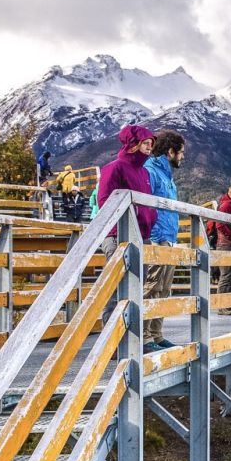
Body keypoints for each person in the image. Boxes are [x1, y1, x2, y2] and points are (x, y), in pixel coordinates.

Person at [141, 130, 185, 351]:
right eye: (181, 152)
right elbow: (147, 206)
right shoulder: (150, 171)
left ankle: (156, 335)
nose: (182, 157)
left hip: (168, 237)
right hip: (157, 237)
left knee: (164, 289)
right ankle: (144, 337)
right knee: (152, 287)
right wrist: (156, 236)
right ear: (170, 152)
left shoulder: (167, 176)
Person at [97, 125, 156, 243]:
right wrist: (119, 226)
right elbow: (104, 201)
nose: (150, 147)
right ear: (134, 144)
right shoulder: (114, 168)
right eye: (146, 143)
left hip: (143, 235)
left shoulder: (144, 172)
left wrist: (151, 216)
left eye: (151, 144)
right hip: (119, 235)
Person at [207, 184, 231, 314]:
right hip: (225, 245)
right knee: (226, 276)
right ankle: (221, 306)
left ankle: (229, 303)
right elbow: (220, 224)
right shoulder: (226, 205)